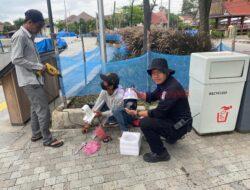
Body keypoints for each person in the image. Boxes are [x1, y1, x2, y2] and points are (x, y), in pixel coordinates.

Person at [11, 9, 63, 148]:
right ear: (29, 22)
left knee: (35, 108)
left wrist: (39, 67)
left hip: (34, 79)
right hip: (29, 80)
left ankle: (36, 133)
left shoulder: (29, 36)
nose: (39, 29)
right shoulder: (20, 36)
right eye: (38, 26)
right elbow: (16, 59)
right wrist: (38, 67)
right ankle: (48, 139)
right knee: (43, 110)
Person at [126, 58, 192, 163]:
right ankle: (171, 137)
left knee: (145, 122)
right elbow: (153, 96)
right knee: (150, 114)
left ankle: (161, 154)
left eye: (159, 72)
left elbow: (158, 113)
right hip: (177, 121)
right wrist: (139, 94)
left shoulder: (171, 88)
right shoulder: (165, 83)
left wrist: (137, 113)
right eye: (153, 73)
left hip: (179, 126)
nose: (155, 76)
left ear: (166, 72)